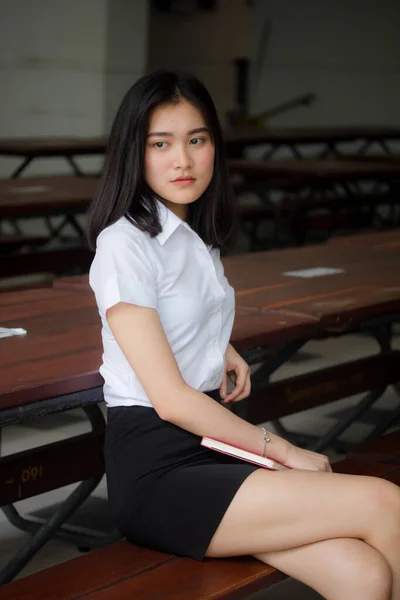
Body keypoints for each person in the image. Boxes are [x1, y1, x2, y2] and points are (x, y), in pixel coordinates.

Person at [87, 70, 400, 600]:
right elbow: (170, 401)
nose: (182, 161)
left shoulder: (195, 237)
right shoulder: (125, 244)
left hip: (211, 449)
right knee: (385, 502)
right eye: (160, 144)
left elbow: (174, 313)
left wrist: (217, 346)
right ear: (133, 153)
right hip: (160, 471)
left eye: (197, 140)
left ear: (215, 147)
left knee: (363, 574)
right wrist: (286, 451)